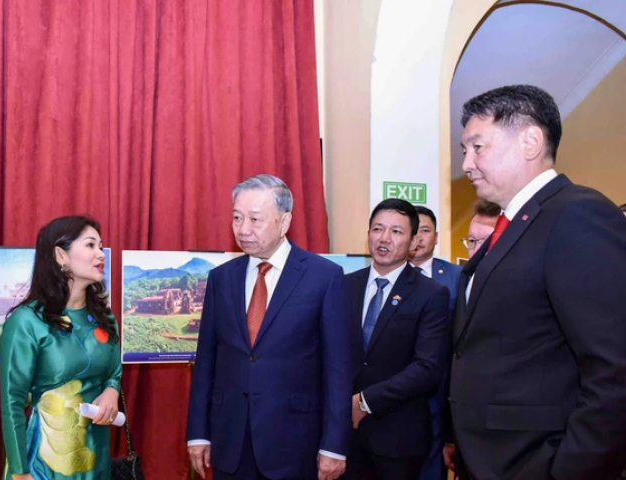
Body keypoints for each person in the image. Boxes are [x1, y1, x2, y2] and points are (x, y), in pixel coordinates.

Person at [450, 85, 626, 479]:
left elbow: (614, 369)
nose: (467, 163)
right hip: (490, 459)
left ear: (530, 142)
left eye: (477, 147)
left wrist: (571, 469)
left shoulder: (577, 215)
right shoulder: (513, 225)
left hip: (535, 461)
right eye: (464, 150)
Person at [186, 174, 350, 480]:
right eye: (237, 217)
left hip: (295, 444)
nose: (243, 229)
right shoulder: (221, 279)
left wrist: (334, 446)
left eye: (255, 219)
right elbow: (206, 360)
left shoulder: (323, 277)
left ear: (284, 221)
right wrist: (198, 432)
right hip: (230, 442)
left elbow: (337, 370)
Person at [0, 216, 122, 480]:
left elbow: (113, 373)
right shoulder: (27, 321)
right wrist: (20, 472)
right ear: (60, 255)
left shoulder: (105, 319)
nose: (101, 254)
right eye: (90, 245)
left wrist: (111, 391)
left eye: (101, 246)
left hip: (95, 455)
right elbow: (12, 402)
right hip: (43, 463)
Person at [344, 199, 450, 480]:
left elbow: (427, 367)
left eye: (396, 231)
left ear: (413, 241)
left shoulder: (431, 294)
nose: (384, 238)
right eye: (377, 229)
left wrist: (365, 401)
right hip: (343, 436)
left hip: (398, 439)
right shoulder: (343, 285)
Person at [408, 206, 460, 480]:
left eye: (425, 231)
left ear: (436, 237)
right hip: (397, 387)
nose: (418, 238)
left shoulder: (457, 276)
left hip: (441, 388)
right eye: (413, 231)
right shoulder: (387, 275)